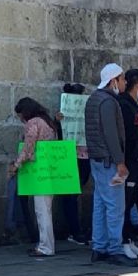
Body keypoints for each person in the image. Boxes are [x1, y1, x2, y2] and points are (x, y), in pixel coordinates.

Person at [84, 63, 134, 266]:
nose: (125, 83)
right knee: (115, 207)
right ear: (114, 80)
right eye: (123, 80)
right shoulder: (108, 102)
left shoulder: (94, 100)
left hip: (97, 159)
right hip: (108, 161)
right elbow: (111, 135)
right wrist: (120, 161)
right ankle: (114, 248)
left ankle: (99, 247)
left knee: (101, 205)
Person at [10, 97, 58, 256]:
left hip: (38, 172)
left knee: (41, 210)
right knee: (47, 209)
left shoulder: (33, 123)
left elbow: (28, 149)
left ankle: (45, 247)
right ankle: (47, 244)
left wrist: (15, 166)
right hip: (50, 171)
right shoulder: (48, 122)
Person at [116, 69, 138, 259]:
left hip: (136, 159)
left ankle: (128, 240)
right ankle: (122, 241)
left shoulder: (134, 105)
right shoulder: (124, 105)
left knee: (132, 201)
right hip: (128, 160)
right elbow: (127, 135)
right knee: (125, 204)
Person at [56, 83, 91, 245]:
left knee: (74, 194)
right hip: (69, 157)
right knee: (70, 196)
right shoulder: (60, 116)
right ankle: (74, 230)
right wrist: (58, 122)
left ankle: (75, 229)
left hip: (85, 157)